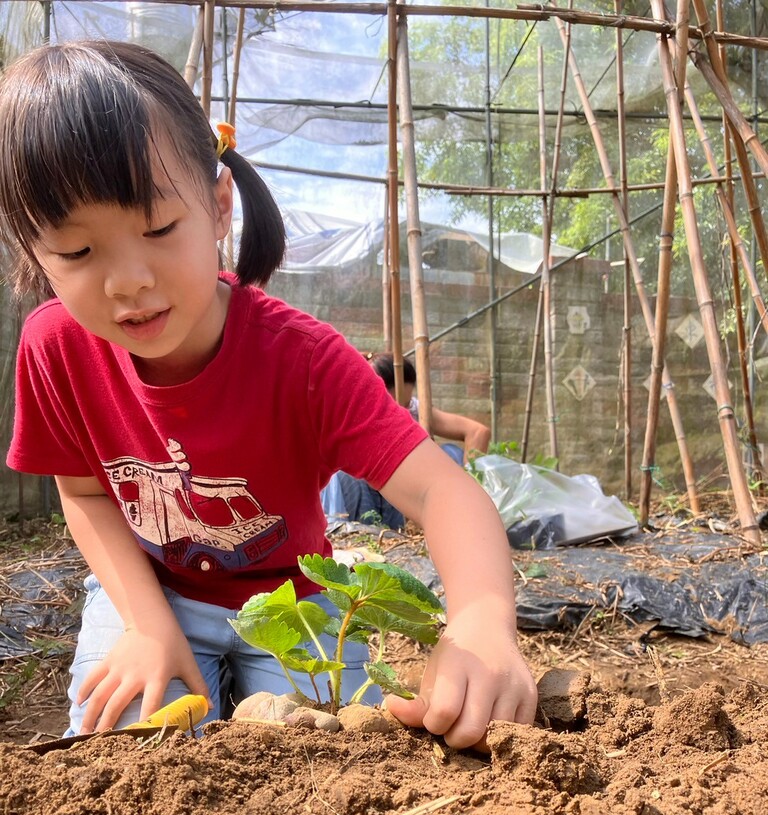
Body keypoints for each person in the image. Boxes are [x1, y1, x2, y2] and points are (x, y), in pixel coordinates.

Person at [1, 40, 537, 749]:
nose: (127, 280)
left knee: (333, 747)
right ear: (31, 252)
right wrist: (146, 627)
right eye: (76, 252)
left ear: (220, 207)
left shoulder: (305, 360)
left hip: (292, 605)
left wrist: (481, 621)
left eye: (159, 228)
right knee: (128, 742)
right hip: (151, 588)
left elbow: (443, 491)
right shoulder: (55, 348)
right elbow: (88, 495)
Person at [322, 353, 491, 528]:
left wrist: (471, 491)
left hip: (409, 500)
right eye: (394, 405)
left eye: (407, 402)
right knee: (347, 476)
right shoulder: (356, 416)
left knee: (450, 454)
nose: (403, 412)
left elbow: (478, 432)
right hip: (370, 500)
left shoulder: (415, 410)